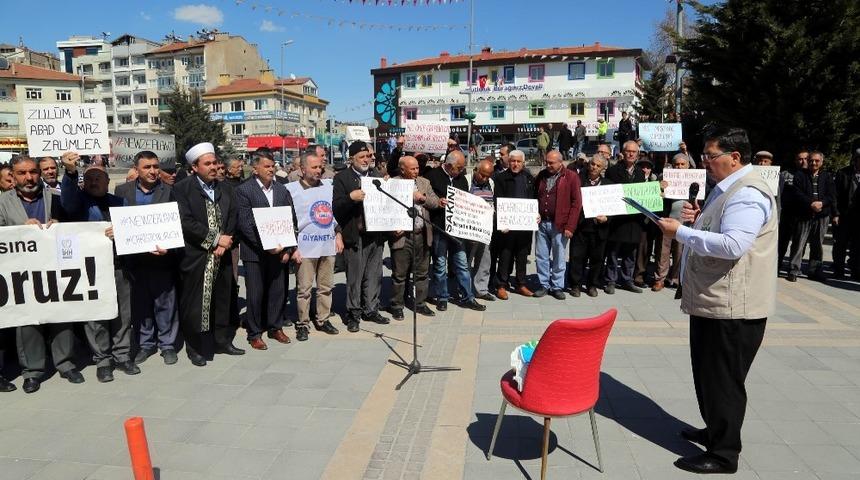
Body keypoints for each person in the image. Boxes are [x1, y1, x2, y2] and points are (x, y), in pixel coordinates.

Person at [657, 127, 776, 475]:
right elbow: (721, 231)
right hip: (715, 302)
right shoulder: (727, 189)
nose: (706, 163)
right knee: (709, 375)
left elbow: (733, 246)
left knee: (723, 379)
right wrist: (699, 222)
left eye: (711, 156)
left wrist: (679, 231)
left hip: (733, 308)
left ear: (735, 157)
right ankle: (715, 430)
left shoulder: (747, 193)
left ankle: (725, 454)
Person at [0, 156, 80, 394]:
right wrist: (20, 231)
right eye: (22, 173)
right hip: (22, 275)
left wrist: (60, 225)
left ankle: (66, 364)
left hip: (55, 271)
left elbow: (74, 217)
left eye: (33, 172)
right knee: (29, 325)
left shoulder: (54, 197)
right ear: (13, 177)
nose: (29, 178)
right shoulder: (3, 202)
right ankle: (32, 372)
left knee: (61, 319)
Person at [60, 153, 139, 383]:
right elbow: (68, 201)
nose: (94, 182)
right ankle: (102, 360)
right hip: (91, 269)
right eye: (90, 178)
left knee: (123, 315)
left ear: (107, 183)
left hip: (118, 266)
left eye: (99, 179)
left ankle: (122, 355)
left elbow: (131, 230)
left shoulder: (119, 202)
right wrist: (71, 172)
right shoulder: (79, 202)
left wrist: (121, 232)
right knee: (96, 318)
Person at [174, 142, 244, 367]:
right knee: (195, 304)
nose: (214, 167)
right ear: (194, 167)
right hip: (196, 257)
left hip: (222, 255)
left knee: (223, 300)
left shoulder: (226, 189)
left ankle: (221, 341)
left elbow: (233, 215)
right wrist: (214, 240)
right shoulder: (182, 189)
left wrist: (225, 241)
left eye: (215, 162)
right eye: (208, 163)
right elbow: (185, 221)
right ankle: (194, 347)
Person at [114, 151, 179, 366]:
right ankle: (146, 344)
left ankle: (167, 345)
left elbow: (176, 225)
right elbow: (118, 220)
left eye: (155, 166)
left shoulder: (169, 191)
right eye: (147, 167)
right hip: (134, 261)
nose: (152, 171)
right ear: (136, 169)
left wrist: (168, 248)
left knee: (165, 304)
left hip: (162, 259)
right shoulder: (122, 191)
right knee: (141, 306)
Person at [235, 152, 298, 350]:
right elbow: (245, 224)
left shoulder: (281, 189)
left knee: (278, 292)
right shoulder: (244, 190)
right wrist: (267, 246)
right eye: (266, 166)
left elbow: (291, 218)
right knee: (255, 294)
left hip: (279, 252)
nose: (271, 169)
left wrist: (287, 247)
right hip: (255, 253)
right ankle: (254, 333)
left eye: (272, 166)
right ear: (255, 169)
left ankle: (275, 326)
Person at [332, 140, 390, 332]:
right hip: (355, 235)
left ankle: (371, 309)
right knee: (355, 277)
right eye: (362, 157)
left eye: (368, 156)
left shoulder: (376, 175)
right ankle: (353, 313)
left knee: (374, 274)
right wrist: (351, 198)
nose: (366, 160)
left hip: (375, 234)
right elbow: (336, 207)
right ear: (352, 159)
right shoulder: (342, 178)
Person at [289, 152, 342, 341]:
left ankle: (323, 319)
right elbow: (288, 221)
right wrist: (292, 247)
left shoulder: (329, 186)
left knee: (326, 286)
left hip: (327, 244)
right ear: (302, 169)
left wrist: (338, 234)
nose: (319, 170)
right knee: (304, 289)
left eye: (320, 167)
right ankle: (303, 323)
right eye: (314, 167)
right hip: (305, 247)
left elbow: (334, 212)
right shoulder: (291, 190)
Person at [425, 150, 486, 312]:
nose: (462, 170)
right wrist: (438, 202)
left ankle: (468, 297)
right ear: (450, 165)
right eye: (459, 167)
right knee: (439, 264)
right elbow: (428, 199)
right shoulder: (433, 175)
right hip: (440, 228)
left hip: (457, 230)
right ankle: (442, 297)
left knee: (462, 264)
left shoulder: (461, 179)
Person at [388, 156, 440, 321]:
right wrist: (392, 228)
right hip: (402, 236)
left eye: (417, 168)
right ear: (402, 169)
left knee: (422, 272)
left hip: (422, 234)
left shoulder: (424, 182)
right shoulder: (392, 183)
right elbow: (384, 208)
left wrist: (422, 198)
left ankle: (420, 303)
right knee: (400, 274)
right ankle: (397, 305)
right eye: (412, 169)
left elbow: (435, 202)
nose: (416, 171)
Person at [533, 150, 582, 299]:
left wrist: (570, 226)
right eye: (546, 162)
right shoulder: (541, 176)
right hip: (542, 223)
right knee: (541, 256)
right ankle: (543, 284)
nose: (548, 165)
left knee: (559, 257)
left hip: (560, 224)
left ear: (561, 162)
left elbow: (576, 203)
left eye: (551, 163)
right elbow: (536, 196)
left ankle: (557, 286)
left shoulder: (571, 177)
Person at [603, 140, 646, 293]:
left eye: (634, 152)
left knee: (631, 252)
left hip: (634, 220)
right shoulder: (613, 171)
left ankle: (627, 279)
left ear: (638, 154)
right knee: (614, 251)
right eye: (628, 151)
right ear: (622, 152)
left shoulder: (640, 172)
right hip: (618, 219)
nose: (631, 154)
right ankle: (610, 281)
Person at [787, 151, 837, 281]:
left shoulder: (827, 176)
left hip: (821, 216)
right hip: (804, 214)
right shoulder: (800, 175)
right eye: (811, 161)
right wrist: (811, 203)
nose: (813, 163)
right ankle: (794, 269)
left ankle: (815, 271)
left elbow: (831, 195)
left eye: (816, 161)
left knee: (817, 244)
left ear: (821, 162)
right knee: (799, 243)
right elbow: (797, 193)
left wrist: (822, 203)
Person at [494, 149, 536, 299]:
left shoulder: (529, 178)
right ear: (508, 161)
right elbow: (498, 202)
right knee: (505, 254)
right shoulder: (500, 178)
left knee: (522, 255)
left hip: (524, 226)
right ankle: (501, 285)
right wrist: (502, 222)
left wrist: (535, 215)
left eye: (518, 161)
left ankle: (521, 284)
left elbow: (533, 200)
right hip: (507, 227)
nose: (515, 164)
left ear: (523, 163)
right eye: (513, 161)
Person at [568, 155, 611, 297]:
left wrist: (607, 218)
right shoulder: (578, 181)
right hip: (581, 227)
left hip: (599, 229)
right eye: (592, 164)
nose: (594, 167)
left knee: (597, 259)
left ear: (603, 168)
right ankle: (575, 285)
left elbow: (614, 207)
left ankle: (592, 284)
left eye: (598, 166)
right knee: (577, 257)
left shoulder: (608, 185)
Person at [653, 153, 691, 291]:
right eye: (676, 164)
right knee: (663, 250)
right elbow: (654, 197)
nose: (679, 167)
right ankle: (659, 279)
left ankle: (674, 278)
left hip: (685, 220)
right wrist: (660, 189)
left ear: (688, 166)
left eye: (682, 164)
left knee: (679, 251)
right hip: (667, 218)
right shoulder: (664, 178)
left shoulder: (695, 180)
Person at [465, 159, 497, 302]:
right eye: (482, 175)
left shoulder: (491, 183)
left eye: (488, 176)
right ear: (476, 170)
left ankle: (481, 290)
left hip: (485, 230)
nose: (484, 179)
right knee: (465, 261)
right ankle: (464, 290)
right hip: (469, 229)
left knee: (484, 260)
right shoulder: (466, 181)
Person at [777, 150, 808, 270]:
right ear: (795, 161)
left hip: (802, 215)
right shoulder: (785, 175)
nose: (803, 161)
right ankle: (777, 265)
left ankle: (794, 269)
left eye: (805, 159)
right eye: (800, 159)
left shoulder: (811, 176)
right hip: (786, 213)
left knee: (799, 243)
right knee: (782, 242)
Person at [633, 156, 661, 287]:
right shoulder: (634, 179)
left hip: (648, 221)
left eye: (648, 167)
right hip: (633, 220)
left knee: (645, 248)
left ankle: (640, 275)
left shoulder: (656, 181)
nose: (645, 169)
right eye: (642, 166)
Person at [832, 152, 860, 280]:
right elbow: (835, 195)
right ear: (855, 160)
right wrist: (836, 213)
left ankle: (856, 271)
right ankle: (838, 270)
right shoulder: (842, 173)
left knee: (857, 245)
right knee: (840, 244)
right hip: (844, 215)